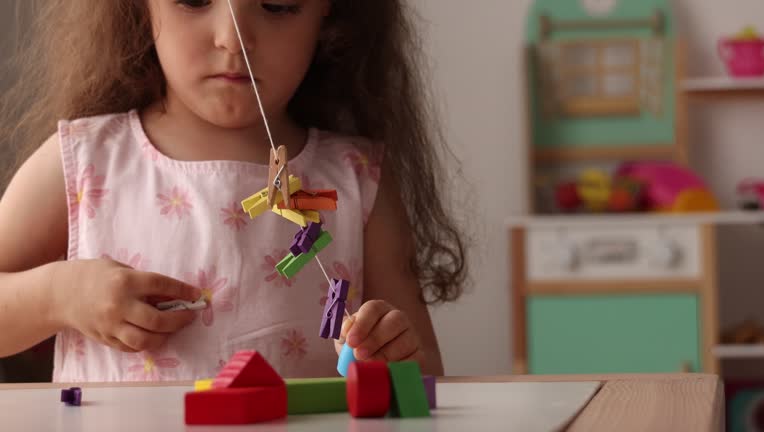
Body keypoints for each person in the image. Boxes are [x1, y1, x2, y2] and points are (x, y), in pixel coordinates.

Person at [0, 0, 467, 381]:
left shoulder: (357, 178)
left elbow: (423, 369)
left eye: (277, 5)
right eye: (195, 0)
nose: (233, 40)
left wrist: (392, 355)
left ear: (328, 11)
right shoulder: (88, 160)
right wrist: (58, 295)